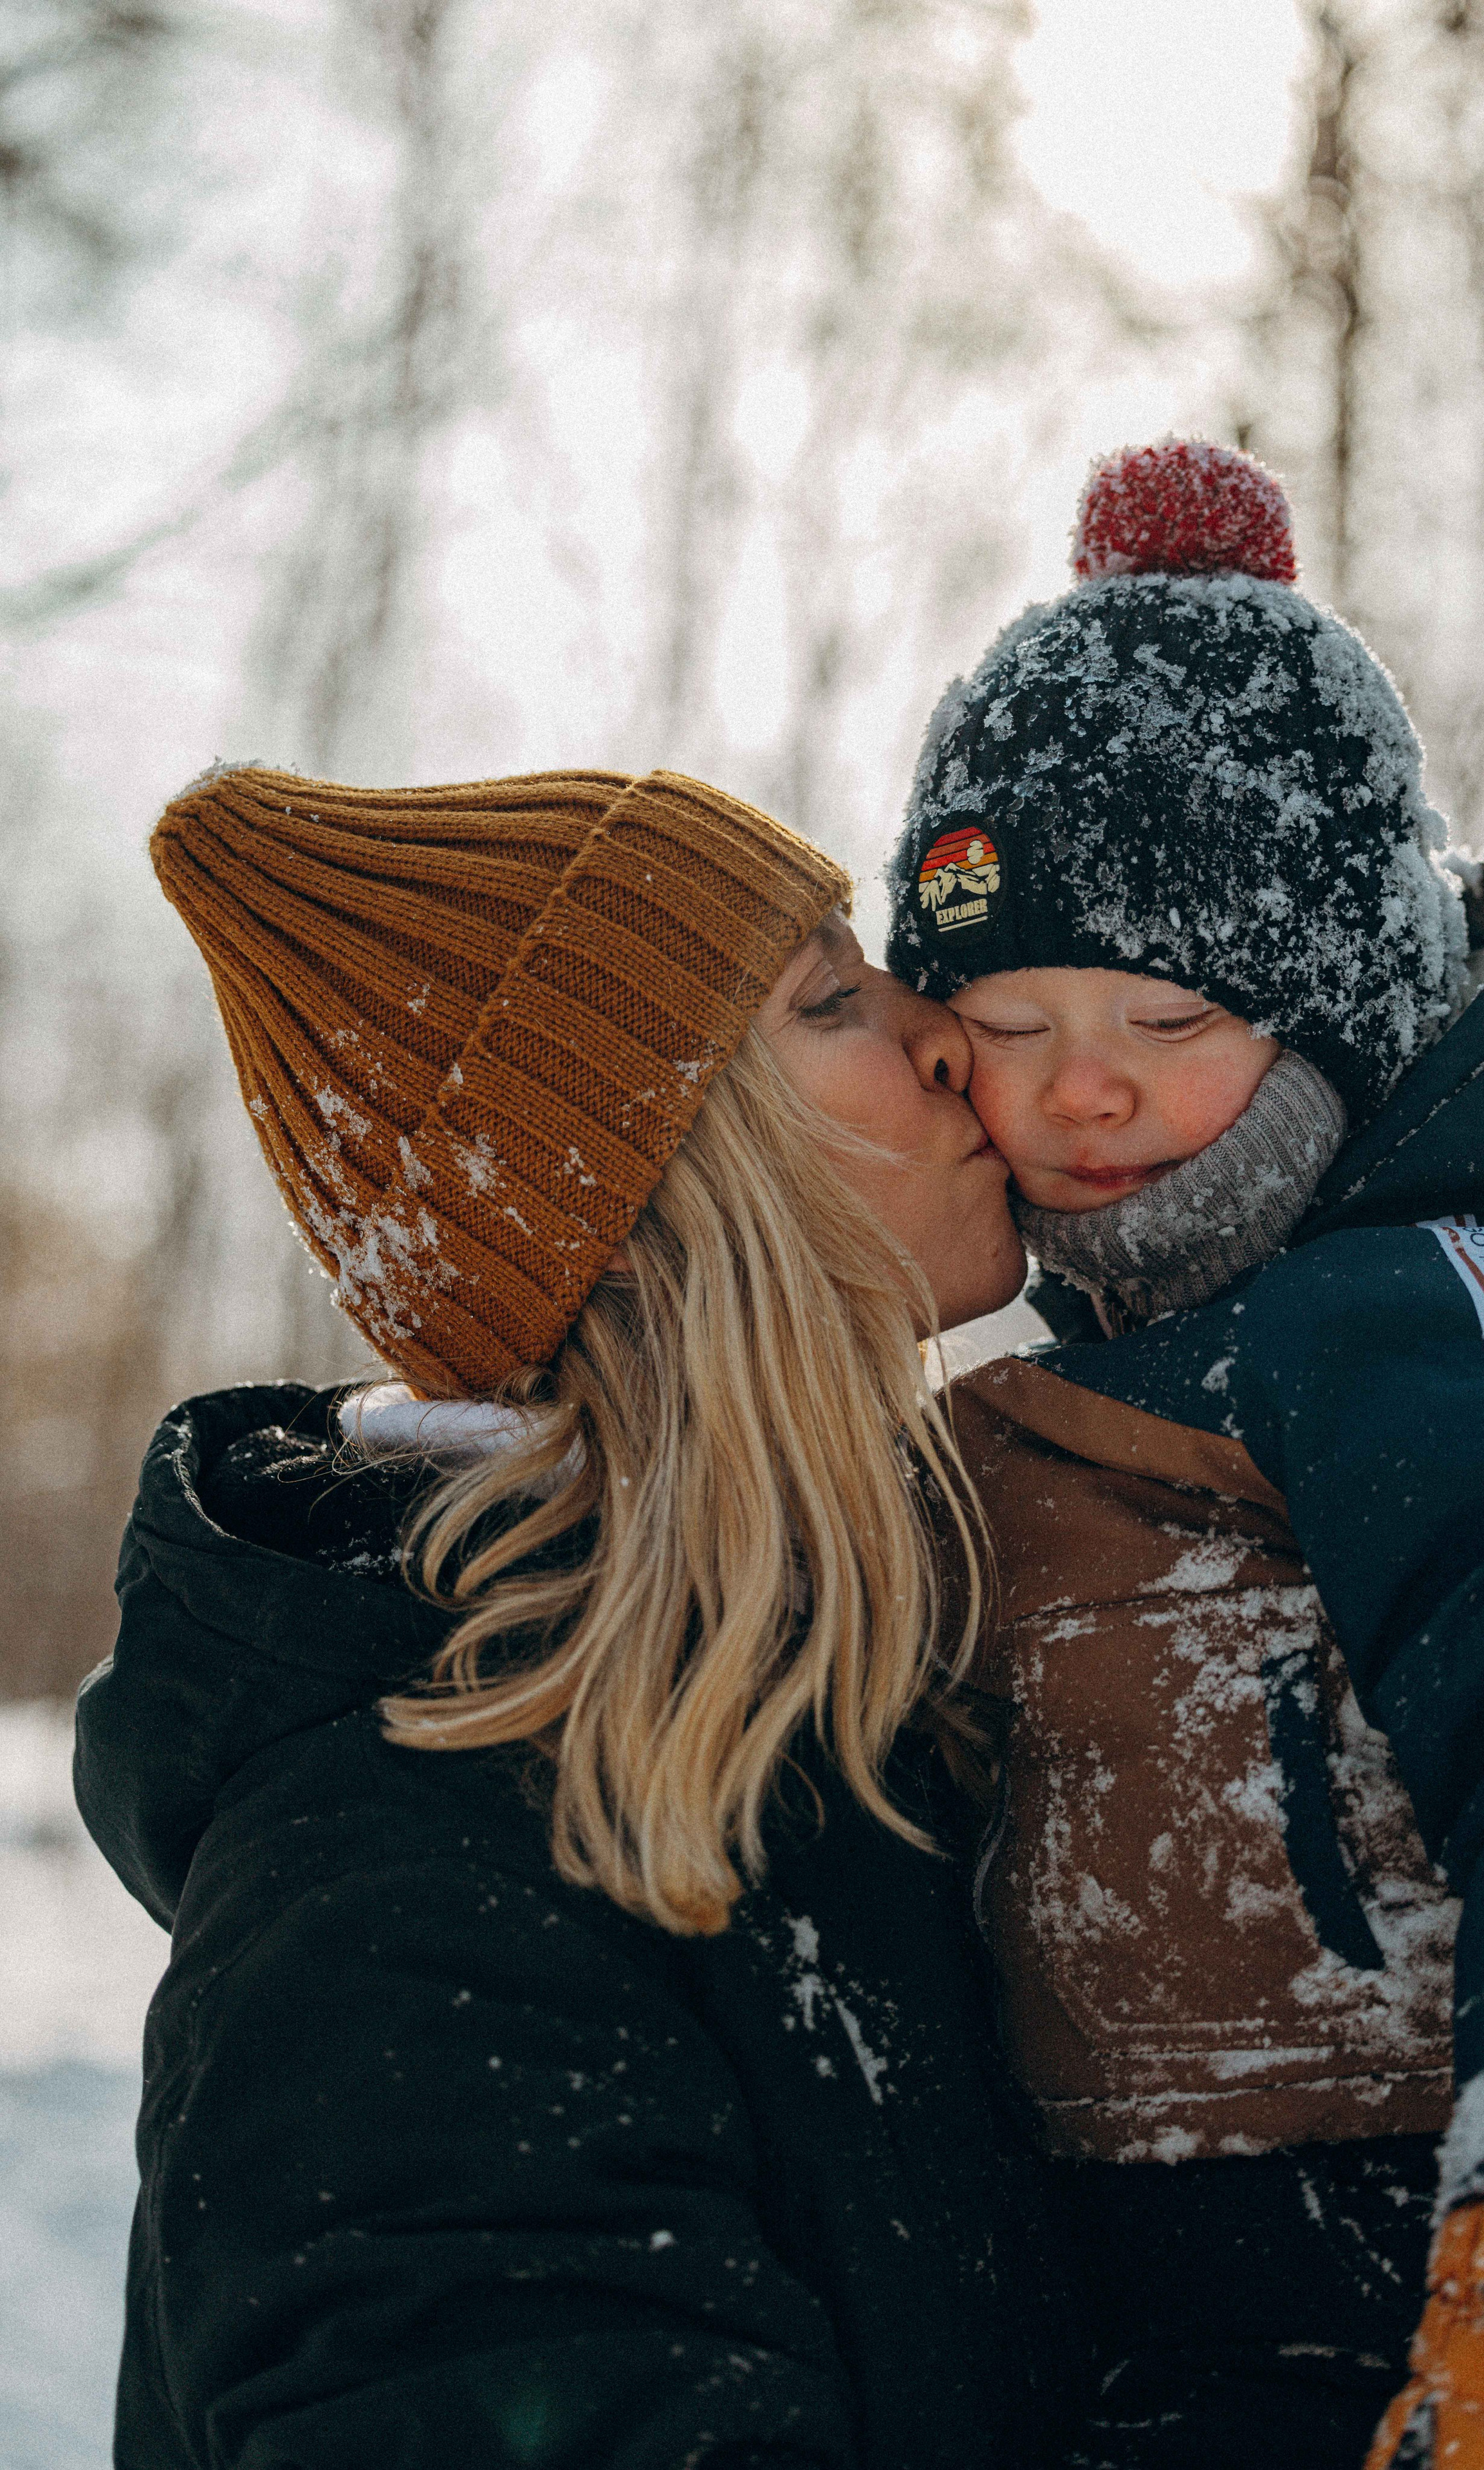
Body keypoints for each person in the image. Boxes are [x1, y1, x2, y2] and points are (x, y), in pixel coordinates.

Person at [75, 763, 1056, 2470]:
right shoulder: (392, 1902)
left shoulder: (879, 1692)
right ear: (649, 1190)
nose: (945, 1037)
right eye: (831, 998)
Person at [886, 441, 1484, 2470]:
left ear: (1337, 1009)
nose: (1083, 1092)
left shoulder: (1448, 1307)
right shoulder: (1088, 1371)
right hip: (1154, 2327)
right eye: (1010, 1023)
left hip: (1422, 2277)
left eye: (1164, 1017)